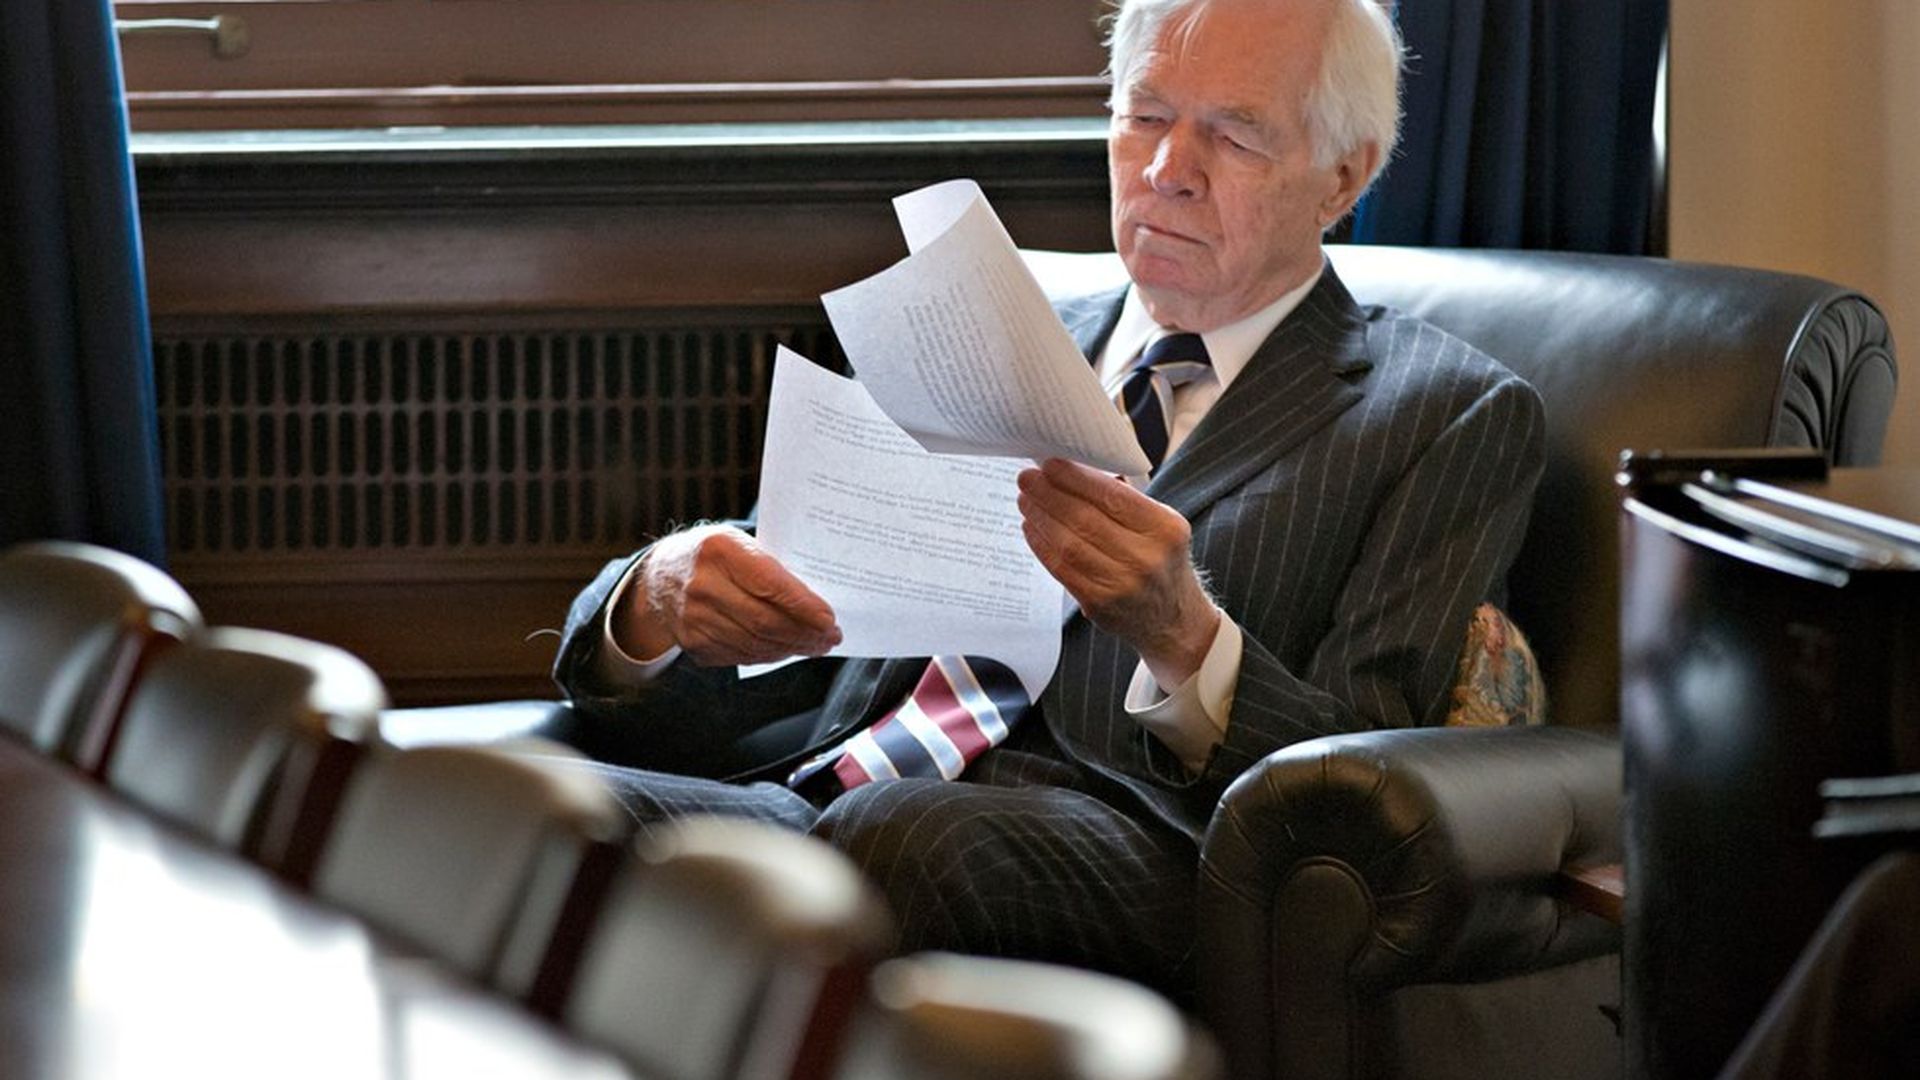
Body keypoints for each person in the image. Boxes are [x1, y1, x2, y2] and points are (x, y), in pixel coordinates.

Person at [551, 0, 1544, 998]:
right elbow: (776, 610)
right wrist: (657, 600)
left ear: (1344, 177)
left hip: (1153, 862)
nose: (1168, 170)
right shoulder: (980, 325)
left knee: (894, 837)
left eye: (1234, 136)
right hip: (829, 804)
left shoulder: (1446, 414)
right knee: (515, 810)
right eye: (1145, 117)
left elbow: (1366, 795)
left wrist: (1186, 639)